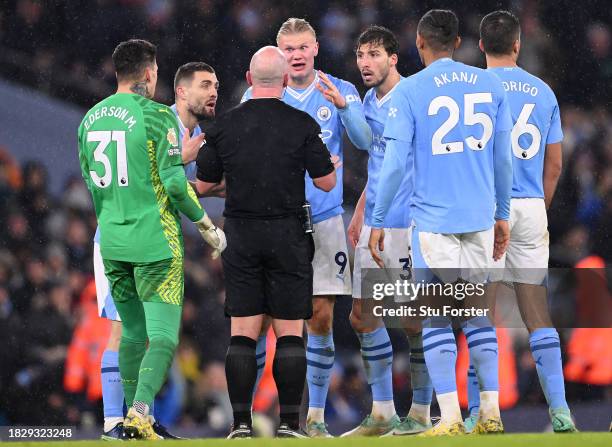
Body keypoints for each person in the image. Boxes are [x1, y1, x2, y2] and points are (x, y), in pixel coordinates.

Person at [369, 10, 513, 436]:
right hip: (479, 217)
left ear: (418, 42)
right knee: (476, 314)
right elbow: (503, 157)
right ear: (459, 41)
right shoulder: (490, 84)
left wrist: (379, 217)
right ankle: (490, 411)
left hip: (434, 220)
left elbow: (394, 164)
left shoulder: (410, 91)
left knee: (435, 315)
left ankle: (448, 417)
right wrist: (502, 212)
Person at [78, 39, 226, 440]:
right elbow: (170, 183)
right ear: (151, 74)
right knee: (138, 332)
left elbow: (95, 184)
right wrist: (204, 221)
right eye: (205, 85)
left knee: (129, 331)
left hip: (111, 231)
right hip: (150, 237)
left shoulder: (89, 119)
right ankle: (120, 419)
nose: (213, 92)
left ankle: (130, 418)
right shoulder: (158, 118)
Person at [197, 46, 336, 439]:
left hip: (240, 233)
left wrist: (241, 180)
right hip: (288, 234)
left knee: (242, 333)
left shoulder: (223, 126)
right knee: (290, 332)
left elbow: (204, 184)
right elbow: (326, 181)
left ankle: (240, 423)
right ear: (287, 81)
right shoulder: (302, 123)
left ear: (248, 78)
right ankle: (290, 423)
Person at [242, 17, 371, 438]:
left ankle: (313, 418)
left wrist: (344, 109)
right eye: (288, 49)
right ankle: (247, 417)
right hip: (275, 220)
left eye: (302, 47)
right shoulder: (259, 94)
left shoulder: (339, 90)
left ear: (315, 48)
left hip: (324, 219)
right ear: (279, 54)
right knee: (258, 320)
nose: (296, 56)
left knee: (320, 317)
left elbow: (365, 142)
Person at [462, 10, 576, 433]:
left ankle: (479, 412)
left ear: (479, 45)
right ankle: (561, 412)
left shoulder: (470, 89)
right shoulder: (543, 91)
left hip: (484, 208)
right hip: (529, 205)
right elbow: (556, 163)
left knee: (481, 312)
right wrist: (538, 205)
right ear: (517, 45)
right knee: (536, 313)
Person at [342, 25, 432, 437]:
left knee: (413, 320)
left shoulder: (415, 97)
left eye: (374, 54)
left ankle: (421, 410)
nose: (365, 62)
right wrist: (362, 207)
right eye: (361, 55)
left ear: (394, 58)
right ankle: (381, 413)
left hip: (408, 223)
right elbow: (378, 163)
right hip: (375, 222)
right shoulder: (367, 100)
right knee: (363, 316)